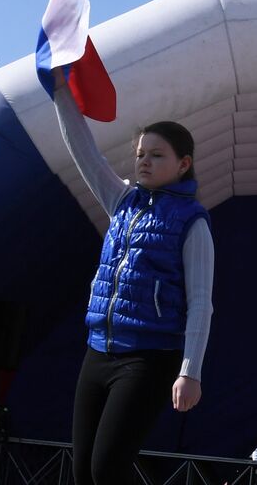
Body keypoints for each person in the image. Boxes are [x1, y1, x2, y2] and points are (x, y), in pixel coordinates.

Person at [51, 69, 214, 485]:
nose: (144, 160)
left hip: (148, 358)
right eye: (140, 153)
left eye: (157, 155)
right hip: (98, 350)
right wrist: (59, 91)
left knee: (108, 468)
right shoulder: (121, 201)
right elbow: (84, 150)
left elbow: (201, 301)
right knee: (82, 472)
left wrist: (189, 371)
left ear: (183, 163)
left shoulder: (192, 222)